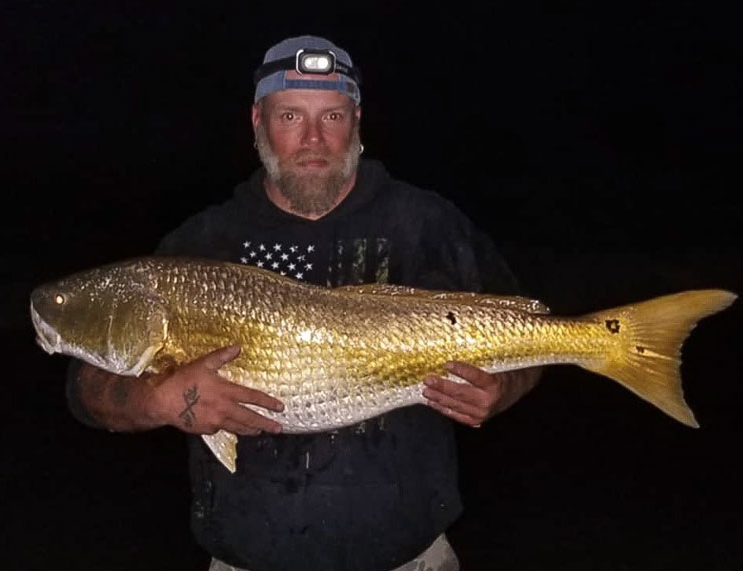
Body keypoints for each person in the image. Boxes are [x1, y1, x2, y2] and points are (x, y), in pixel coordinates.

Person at [65, 35, 542, 571]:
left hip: (411, 559)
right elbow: (87, 390)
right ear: (257, 121)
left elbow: (534, 341)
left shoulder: (427, 225)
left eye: (331, 116)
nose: (313, 138)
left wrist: (500, 392)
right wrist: (158, 401)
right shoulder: (199, 246)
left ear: (356, 121)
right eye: (290, 115)